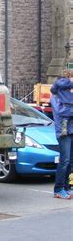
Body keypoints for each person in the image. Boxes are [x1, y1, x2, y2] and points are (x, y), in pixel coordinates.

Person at [50, 69, 73, 199]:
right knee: (64, 161)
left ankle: (66, 187)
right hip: (63, 131)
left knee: (70, 162)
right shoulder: (57, 95)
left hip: (71, 129)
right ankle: (58, 190)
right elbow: (62, 111)